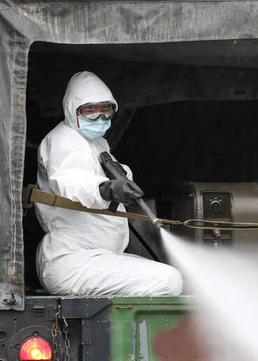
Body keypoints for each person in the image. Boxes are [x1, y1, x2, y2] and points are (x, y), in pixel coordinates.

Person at [35, 71, 183, 296]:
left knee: (167, 273)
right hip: (72, 261)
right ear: (71, 109)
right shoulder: (64, 140)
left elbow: (110, 174)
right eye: (89, 111)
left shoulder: (97, 143)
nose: (99, 118)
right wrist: (107, 189)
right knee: (168, 280)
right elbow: (70, 181)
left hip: (97, 256)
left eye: (105, 111)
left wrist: (123, 180)